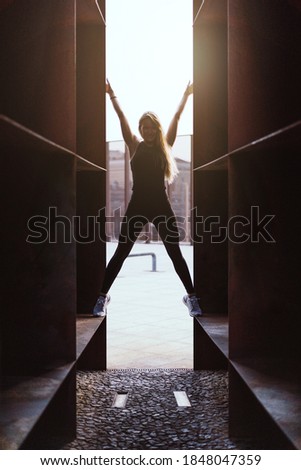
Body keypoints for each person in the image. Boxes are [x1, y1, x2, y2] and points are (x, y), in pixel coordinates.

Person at [93, 80, 202, 318]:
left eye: (152, 127)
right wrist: (112, 95)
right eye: (144, 127)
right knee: (121, 252)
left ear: (157, 129)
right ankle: (102, 297)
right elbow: (121, 117)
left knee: (175, 253)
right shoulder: (135, 145)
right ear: (141, 130)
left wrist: (186, 95)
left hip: (161, 206)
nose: (148, 131)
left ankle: (191, 297)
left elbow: (177, 116)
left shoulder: (166, 146)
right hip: (138, 205)